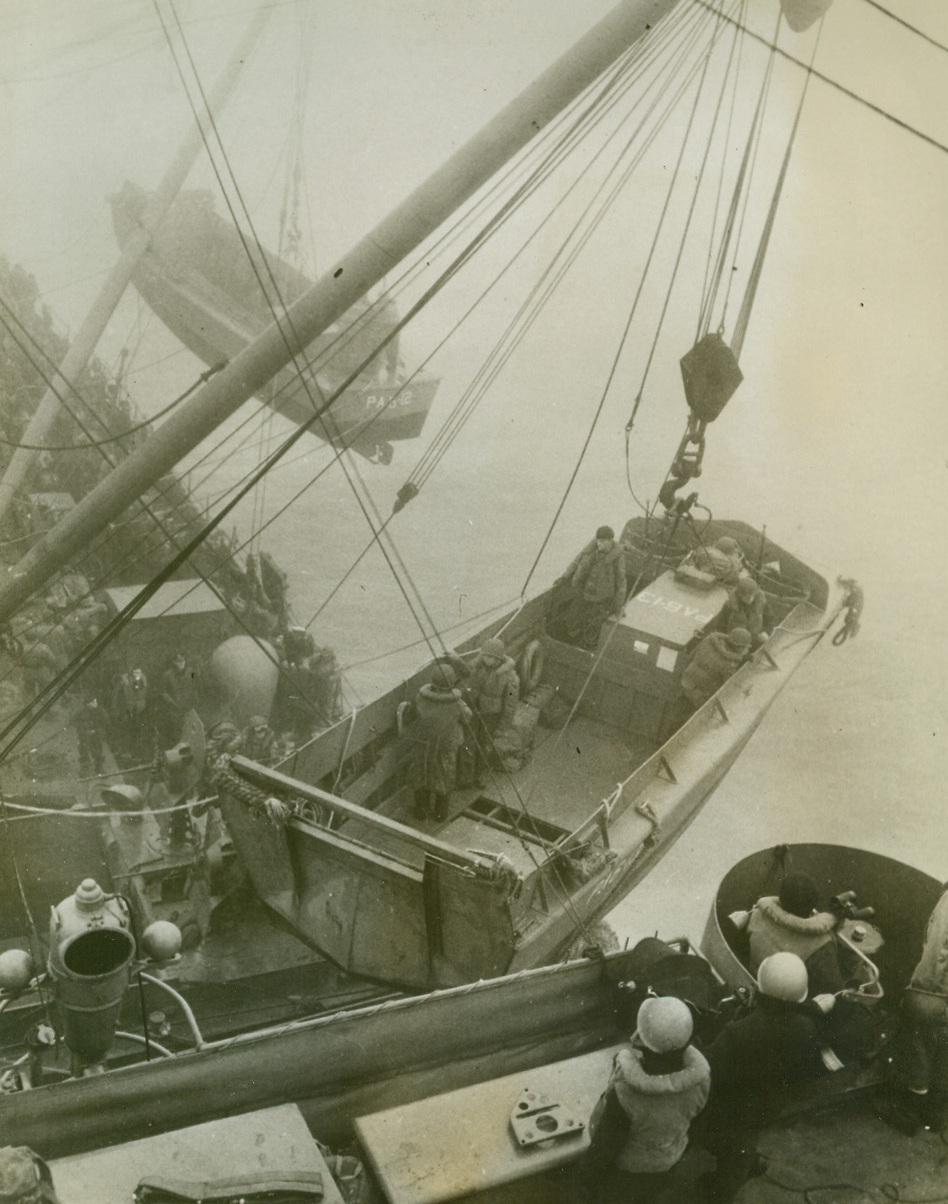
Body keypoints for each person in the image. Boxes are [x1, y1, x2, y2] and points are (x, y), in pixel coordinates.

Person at [699, 952, 828, 1202]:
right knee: (744, 1142)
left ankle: (720, 1193)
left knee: (729, 1146)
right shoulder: (806, 1027)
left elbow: (709, 1066)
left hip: (731, 1105)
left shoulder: (737, 1032)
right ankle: (744, 1163)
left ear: (760, 985)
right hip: (769, 1103)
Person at [599, 996, 711, 1202]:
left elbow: (604, 1148)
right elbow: (696, 1122)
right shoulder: (702, 1080)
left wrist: (586, 1182)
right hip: (665, 1163)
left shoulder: (625, 1094)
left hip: (626, 1171)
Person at [878, 883, 948, 1134]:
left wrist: (917, 991)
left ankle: (908, 1114)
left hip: (936, 992)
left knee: (917, 1043)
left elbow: (938, 951)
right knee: (944, 1054)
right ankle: (935, 1115)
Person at [741, 872, 845, 995]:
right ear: (813, 905)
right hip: (786, 1002)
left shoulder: (759, 912)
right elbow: (834, 991)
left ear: (781, 898)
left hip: (755, 979)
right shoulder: (821, 944)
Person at [406, 664, 471, 822]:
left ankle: (421, 810)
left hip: (424, 743)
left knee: (421, 774)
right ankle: (440, 814)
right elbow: (467, 717)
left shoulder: (421, 698)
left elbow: (414, 714)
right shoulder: (457, 703)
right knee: (444, 776)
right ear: (451, 683)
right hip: (446, 746)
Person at [548, 525, 627, 650]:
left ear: (610, 541)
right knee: (572, 618)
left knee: (593, 625)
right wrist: (564, 577)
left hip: (602, 597)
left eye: (602, 542)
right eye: (598, 541)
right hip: (584, 591)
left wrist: (618, 607)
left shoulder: (617, 557)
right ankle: (570, 639)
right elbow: (576, 562)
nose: (599, 544)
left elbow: (621, 582)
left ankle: (584, 644)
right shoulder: (590, 550)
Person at [465, 637, 519, 783]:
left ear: (498, 658)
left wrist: (502, 727)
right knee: (468, 742)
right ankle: (465, 778)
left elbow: (510, 704)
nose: (487, 660)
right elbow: (464, 671)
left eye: (490, 657)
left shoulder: (509, 677)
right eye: (485, 656)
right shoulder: (477, 666)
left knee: (484, 744)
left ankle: (479, 775)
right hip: (473, 710)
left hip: (491, 717)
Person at [680, 626, 752, 710]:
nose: (746, 650)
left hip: (686, 679)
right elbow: (729, 684)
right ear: (737, 646)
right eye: (744, 647)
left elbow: (692, 654)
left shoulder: (709, 640)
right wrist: (741, 661)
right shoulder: (729, 663)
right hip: (698, 692)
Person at [157, 652, 201, 746]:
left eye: (183, 661)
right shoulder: (167, 676)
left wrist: (194, 701)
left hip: (189, 707)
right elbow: (163, 692)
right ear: (173, 662)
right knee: (176, 732)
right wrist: (171, 702)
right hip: (174, 708)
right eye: (178, 662)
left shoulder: (191, 672)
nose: (181, 664)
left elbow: (195, 686)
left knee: (191, 730)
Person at [722, 576, 770, 644]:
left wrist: (766, 632)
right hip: (738, 643)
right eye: (747, 597)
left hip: (757, 640)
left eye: (753, 596)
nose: (750, 599)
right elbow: (721, 625)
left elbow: (771, 619)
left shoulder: (761, 602)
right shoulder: (729, 606)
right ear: (740, 595)